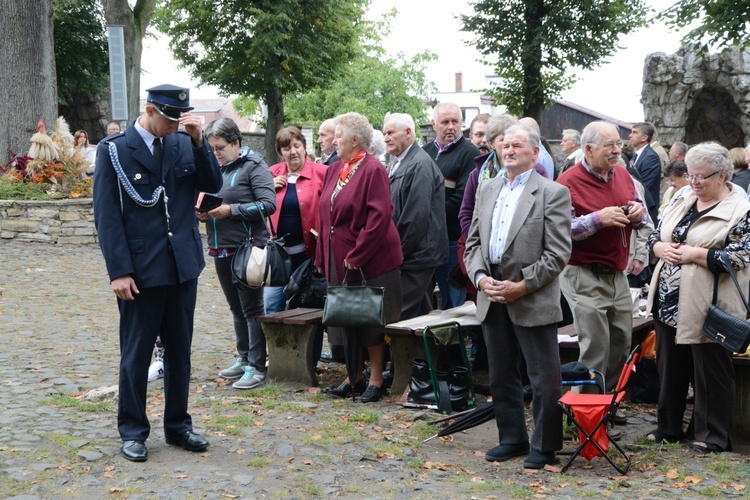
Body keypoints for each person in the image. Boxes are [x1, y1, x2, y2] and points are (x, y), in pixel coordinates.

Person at [93, 83, 222, 462]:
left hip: (182, 267)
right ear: (149, 110)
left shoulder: (183, 143)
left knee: (180, 354)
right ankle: (133, 430)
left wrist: (199, 143)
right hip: (141, 273)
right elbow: (107, 215)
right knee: (136, 354)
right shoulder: (115, 151)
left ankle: (178, 426)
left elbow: (212, 185)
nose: (173, 125)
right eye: (168, 118)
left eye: (178, 119)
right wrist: (119, 271)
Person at [464, 124, 572, 469]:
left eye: (517, 145)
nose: (508, 150)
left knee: (543, 377)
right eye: (504, 145)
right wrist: (481, 279)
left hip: (531, 292)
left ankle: (545, 444)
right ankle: (511, 438)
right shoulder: (487, 189)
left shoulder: (552, 193)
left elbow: (557, 254)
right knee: (501, 374)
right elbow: (473, 244)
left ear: (535, 153)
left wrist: (522, 286)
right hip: (491, 292)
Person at [645, 142, 750, 453]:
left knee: (710, 371)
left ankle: (712, 435)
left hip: (710, 302)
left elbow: (741, 256)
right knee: (670, 366)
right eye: (690, 175)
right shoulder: (683, 198)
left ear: (722, 176)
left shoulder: (741, 210)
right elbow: (657, 231)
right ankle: (669, 427)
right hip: (669, 299)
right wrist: (657, 248)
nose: (694, 182)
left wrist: (697, 254)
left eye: (701, 176)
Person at [315, 112, 403, 403]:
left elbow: (379, 216)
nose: (334, 141)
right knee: (345, 318)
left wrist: (358, 253)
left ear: (355, 140)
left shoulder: (373, 169)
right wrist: (322, 255)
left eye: (338, 136)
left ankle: (376, 379)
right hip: (338, 259)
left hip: (371, 260)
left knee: (371, 319)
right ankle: (354, 375)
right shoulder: (333, 169)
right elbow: (324, 216)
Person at [557, 121, 648, 394]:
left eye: (619, 144)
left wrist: (638, 212)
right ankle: (586, 414)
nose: (617, 150)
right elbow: (559, 229)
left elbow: (645, 218)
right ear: (588, 148)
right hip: (582, 273)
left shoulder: (623, 175)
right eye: (610, 145)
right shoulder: (567, 182)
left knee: (621, 342)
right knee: (596, 345)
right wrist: (598, 220)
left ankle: (606, 404)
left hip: (617, 273)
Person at [198, 117, 276, 390]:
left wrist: (231, 211)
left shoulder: (254, 166)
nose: (216, 153)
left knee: (252, 308)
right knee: (235, 307)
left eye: (220, 147)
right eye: (212, 149)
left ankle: (257, 365)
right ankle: (244, 358)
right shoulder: (215, 169)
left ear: (236, 143)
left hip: (248, 247)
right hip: (220, 248)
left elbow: (268, 205)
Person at [265, 126, 327, 358]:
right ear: (280, 151)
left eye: (297, 146)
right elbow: (257, 203)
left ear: (304, 147)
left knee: (310, 307)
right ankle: (279, 357)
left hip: (308, 256)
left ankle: (310, 358)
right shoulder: (271, 173)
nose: (293, 152)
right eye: (286, 147)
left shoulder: (321, 172)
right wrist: (269, 190)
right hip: (278, 256)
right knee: (273, 305)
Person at [383, 112, 447, 319]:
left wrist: (397, 255)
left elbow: (415, 218)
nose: (386, 138)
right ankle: (423, 353)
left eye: (391, 132)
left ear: (408, 132)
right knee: (418, 317)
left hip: (417, 256)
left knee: (398, 315)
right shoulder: (398, 162)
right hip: (413, 254)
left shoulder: (419, 165)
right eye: (385, 133)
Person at [423, 103, 479, 310]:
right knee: (426, 303)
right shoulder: (425, 152)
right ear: (434, 124)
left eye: (455, 122)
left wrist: (426, 219)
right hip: (426, 242)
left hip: (452, 241)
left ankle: (458, 344)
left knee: (454, 305)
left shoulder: (469, 153)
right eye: (445, 122)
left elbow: (461, 200)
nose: (450, 127)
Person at [630, 122, 662, 213]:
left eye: (634, 132)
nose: (630, 135)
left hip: (646, 210)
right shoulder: (636, 155)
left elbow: (644, 186)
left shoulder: (651, 157)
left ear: (644, 138)